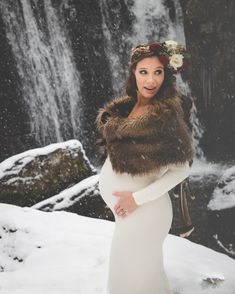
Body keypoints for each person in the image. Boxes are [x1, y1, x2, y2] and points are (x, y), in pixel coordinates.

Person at [95, 40, 194, 294]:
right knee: (144, 279)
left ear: (166, 75)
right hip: (129, 213)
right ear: (133, 73)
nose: (151, 80)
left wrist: (136, 199)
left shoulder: (165, 115)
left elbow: (182, 168)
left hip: (145, 212)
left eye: (158, 72)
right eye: (144, 72)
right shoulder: (130, 106)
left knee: (123, 281)